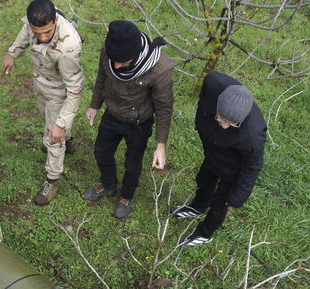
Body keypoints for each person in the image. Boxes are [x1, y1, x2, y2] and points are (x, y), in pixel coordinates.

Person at [83, 20, 174, 219]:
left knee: (133, 163)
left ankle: (127, 196)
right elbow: (102, 77)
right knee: (101, 152)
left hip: (138, 124)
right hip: (112, 113)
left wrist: (161, 144)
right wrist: (94, 105)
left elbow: (164, 107)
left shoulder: (159, 69)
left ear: (135, 53)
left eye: (122, 62)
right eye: (114, 60)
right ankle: (108, 185)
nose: (116, 65)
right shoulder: (109, 50)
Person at [2, 0, 83, 206]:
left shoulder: (68, 47)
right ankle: (69, 141)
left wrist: (60, 123)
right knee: (49, 122)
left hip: (58, 93)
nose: (42, 37)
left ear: (55, 19)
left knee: (53, 137)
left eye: (47, 32)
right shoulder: (34, 23)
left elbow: (74, 90)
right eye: (37, 32)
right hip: (40, 83)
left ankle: (52, 180)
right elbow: (24, 32)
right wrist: (13, 53)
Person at [173, 71, 266, 246]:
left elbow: (252, 167)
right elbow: (204, 95)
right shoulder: (213, 84)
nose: (223, 126)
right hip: (214, 151)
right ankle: (197, 207)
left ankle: (205, 233)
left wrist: (237, 198)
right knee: (204, 179)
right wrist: (201, 121)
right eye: (221, 118)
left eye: (230, 123)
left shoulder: (252, 136)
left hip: (233, 166)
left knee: (220, 203)